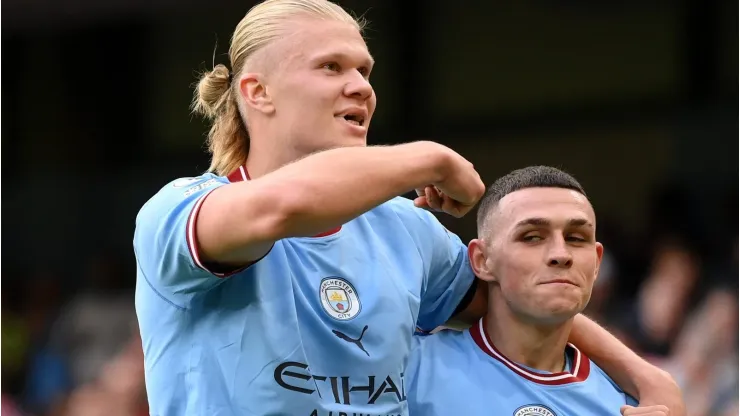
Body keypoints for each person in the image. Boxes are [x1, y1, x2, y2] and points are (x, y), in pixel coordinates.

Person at [133, 1, 684, 415]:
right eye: (331, 67)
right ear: (258, 92)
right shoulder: (181, 211)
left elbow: (519, 296)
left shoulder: (406, 232)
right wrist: (430, 157)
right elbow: (280, 207)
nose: (361, 88)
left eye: (365, 72)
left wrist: (644, 377)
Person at [406, 166, 672, 416]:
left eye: (576, 238)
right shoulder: (408, 368)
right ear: (482, 261)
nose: (561, 254)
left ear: (597, 263)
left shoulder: (628, 407)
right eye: (532, 237)